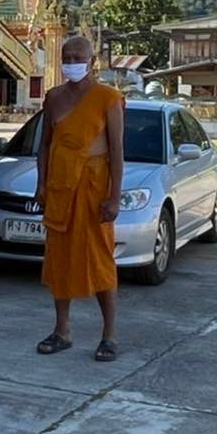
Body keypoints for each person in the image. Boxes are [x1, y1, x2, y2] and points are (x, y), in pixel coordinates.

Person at [34, 34, 125, 362]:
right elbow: (45, 145)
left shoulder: (108, 98)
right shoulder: (53, 97)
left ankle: (109, 335)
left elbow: (116, 151)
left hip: (93, 191)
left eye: (78, 58)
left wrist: (114, 197)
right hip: (60, 188)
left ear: (91, 61)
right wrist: (41, 184)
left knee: (100, 261)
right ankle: (62, 330)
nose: (71, 63)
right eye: (67, 58)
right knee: (58, 259)